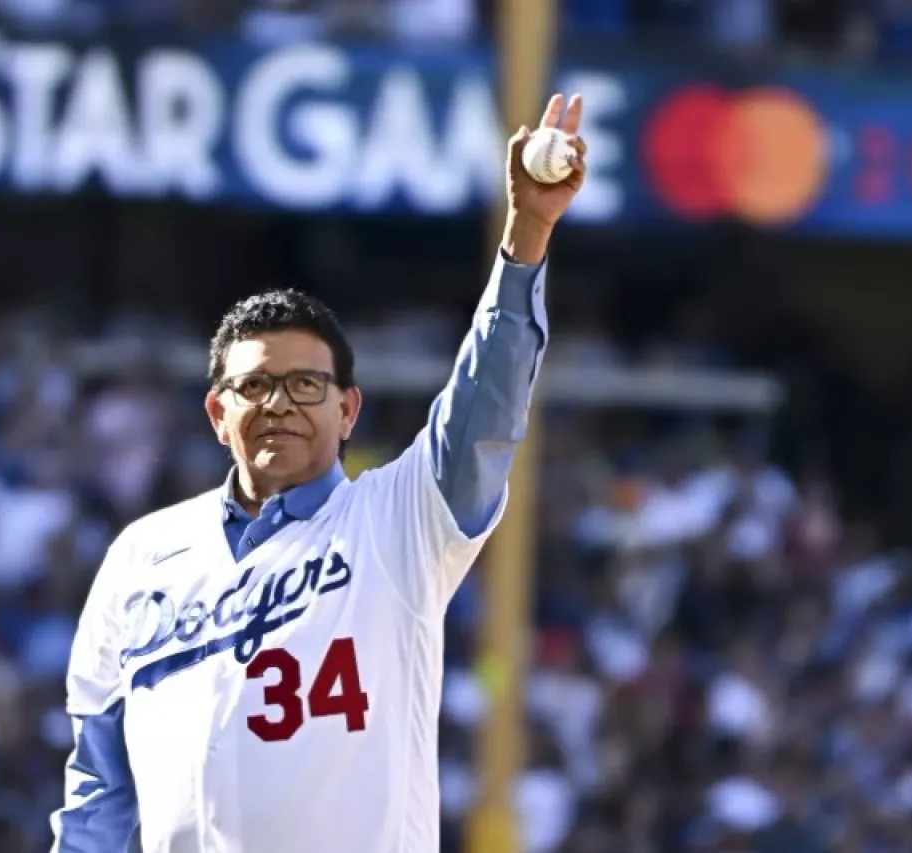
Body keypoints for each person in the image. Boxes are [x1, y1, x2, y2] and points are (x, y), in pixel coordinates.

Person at [50, 93, 589, 853]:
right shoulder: (142, 555)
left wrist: (527, 235)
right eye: (254, 386)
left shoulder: (398, 523)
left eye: (307, 384)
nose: (280, 403)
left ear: (348, 410)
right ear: (216, 412)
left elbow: (484, 406)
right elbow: (100, 787)